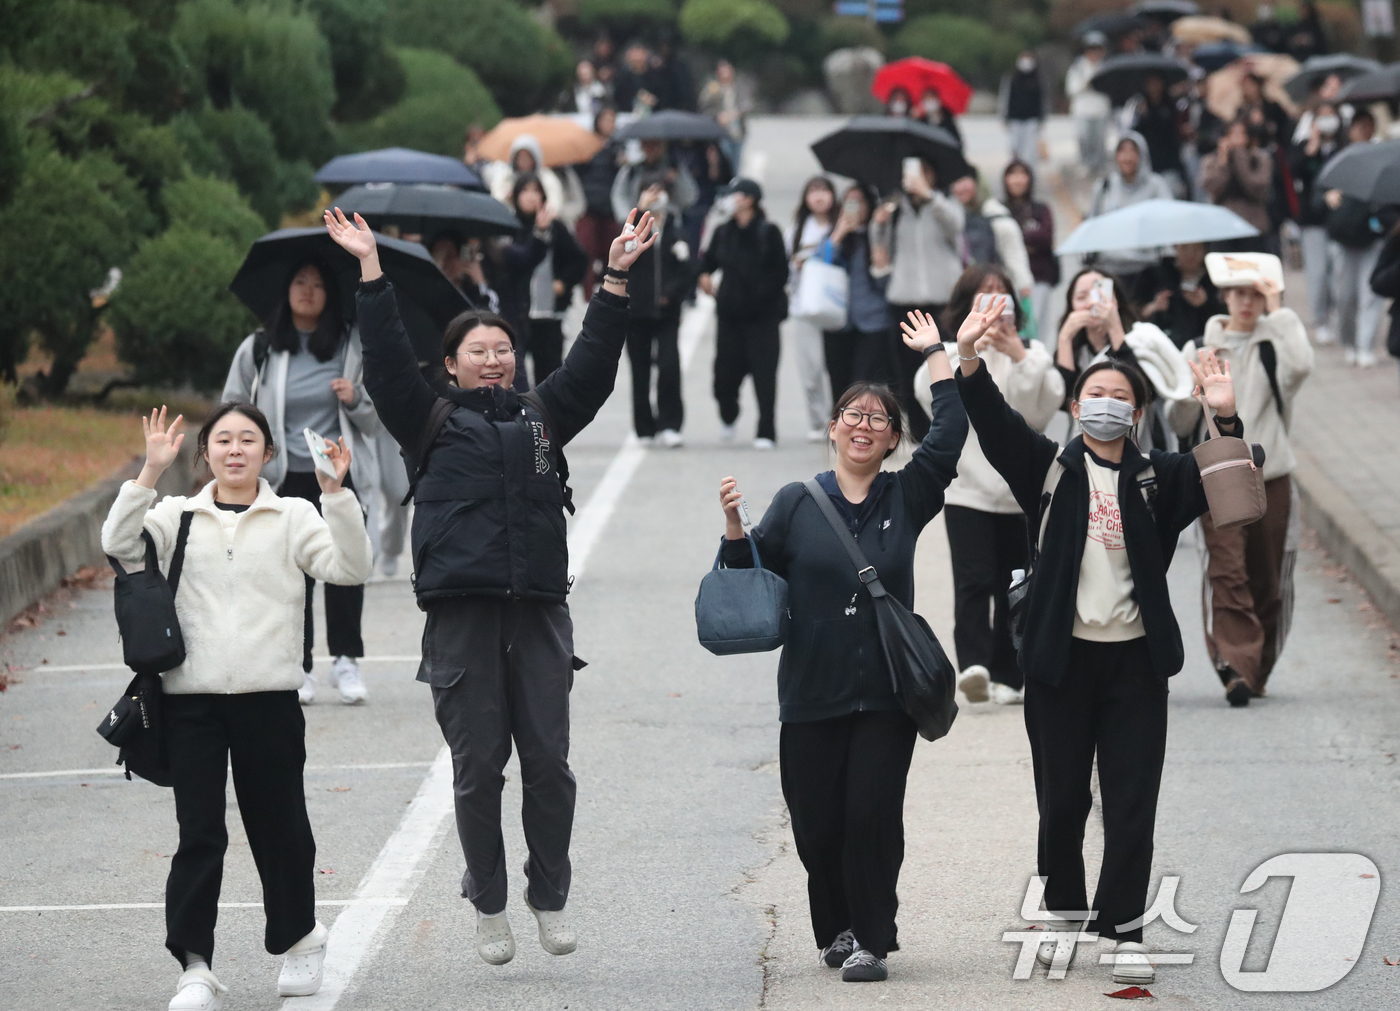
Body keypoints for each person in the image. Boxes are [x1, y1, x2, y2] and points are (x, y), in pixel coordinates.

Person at [323, 203, 658, 966]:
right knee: (479, 771)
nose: (495, 359)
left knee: (550, 768)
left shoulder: (543, 415)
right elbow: (383, 356)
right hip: (462, 619)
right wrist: (370, 269)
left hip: (538, 614)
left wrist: (614, 279)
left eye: (504, 348)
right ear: (451, 363)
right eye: (479, 350)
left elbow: (595, 368)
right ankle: (490, 902)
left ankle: (549, 897)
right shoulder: (427, 420)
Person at [954, 296, 1241, 985]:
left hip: (1137, 664)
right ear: (1076, 408)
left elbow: (1234, 486)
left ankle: (1124, 927)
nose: (1107, 403)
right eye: (1095, 394)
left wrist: (1222, 413)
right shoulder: (1049, 468)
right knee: (1061, 798)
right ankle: (1060, 912)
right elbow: (991, 423)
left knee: (1131, 796)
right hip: (1060, 661)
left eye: (1120, 396)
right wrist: (967, 355)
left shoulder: (1160, 478)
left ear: (1136, 414)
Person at [715, 311, 969, 984]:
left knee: (871, 816)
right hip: (810, 690)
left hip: (887, 692)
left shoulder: (906, 495)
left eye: (878, 419)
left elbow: (949, 436)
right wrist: (736, 531)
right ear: (832, 428)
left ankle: (872, 938)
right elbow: (755, 581)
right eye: (852, 415)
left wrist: (939, 357)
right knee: (817, 824)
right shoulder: (798, 501)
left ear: (891, 440)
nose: (863, 425)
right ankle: (836, 927)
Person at [102, 403, 371, 1010]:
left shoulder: (293, 514)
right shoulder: (177, 515)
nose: (235, 449)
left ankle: (301, 937)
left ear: (268, 454)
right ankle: (195, 966)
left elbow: (350, 568)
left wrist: (337, 492)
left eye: (248, 440)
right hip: (190, 703)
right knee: (199, 834)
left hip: (269, 700)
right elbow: (117, 544)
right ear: (205, 454)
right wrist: (148, 473)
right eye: (222, 440)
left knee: (280, 829)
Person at [222, 260, 377, 705]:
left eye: (318, 284)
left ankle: (346, 659)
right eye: (299, 282)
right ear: (285, 291)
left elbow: (374, 419)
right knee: (292, 576)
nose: (308, 291)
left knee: (347, 567)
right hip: (279, 478)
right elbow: (231, 410)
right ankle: (300, 665)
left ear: (331, 295)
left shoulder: (351, 344)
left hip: (337, 476)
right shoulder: (260, 348)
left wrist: (356, 398)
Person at [1173, 264, 1312, 705]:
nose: (1247, 303)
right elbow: (1177, 421)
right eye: (1238, 294)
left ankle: (1257, 664)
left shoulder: (1276, 342)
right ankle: (1236, 666)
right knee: (1227, 574)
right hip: (1216, 478)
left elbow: (1302, 368)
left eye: (1257, 294)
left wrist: (1281, 314)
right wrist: (1191, 393)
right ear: (1224, 297)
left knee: (1267, 578)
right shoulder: (1199, 348)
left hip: (1271, 475)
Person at [926, 266, 1063, 705]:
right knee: (972, 579)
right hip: (967, 489)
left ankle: (1010, 673)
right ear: (966, 303)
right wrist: (969, 351)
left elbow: (1036, 416)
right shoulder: (947, 353)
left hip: (1019, 493)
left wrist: (1019, 356)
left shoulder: (1034, 353)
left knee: (1014, 583)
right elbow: (933, 402)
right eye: (983, 294)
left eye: (1001, 294)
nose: (994, 302)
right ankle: (973, 665)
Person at [1054, 267, 1194, 451]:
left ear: (1116, 300)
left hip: (1143, 449)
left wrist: (1115, 329)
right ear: (1071, 306)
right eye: (1081, 298)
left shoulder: (1143, 338)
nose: (1091, 303)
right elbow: (1063, 401)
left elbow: (1144, 392)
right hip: (1086, 451)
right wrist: (1064, 339)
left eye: (1100, 294)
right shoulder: (1075, 351)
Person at [698, 178, 789, 448]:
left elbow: (780, 272)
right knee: (723, 377)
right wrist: (703, 275)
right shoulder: (723, 231)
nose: (731, 200)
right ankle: (729, 415)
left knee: (765, 377)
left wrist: (763, 295)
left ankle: (766, 430)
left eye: (736, 195)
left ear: (750, 199)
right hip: (729, 318)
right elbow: (707, 260)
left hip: (763, 319)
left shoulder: (769, 231)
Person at [883, 157, 966, 438]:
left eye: (923, 172)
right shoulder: (896, 209)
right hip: (903, 300)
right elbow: (881, 251)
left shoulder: (943, 204)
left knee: (944, 364)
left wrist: (929, 197)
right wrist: (879, 222)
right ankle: (918, 432)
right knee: (907, 371)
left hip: (941, 300)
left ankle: (946, 427)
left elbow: (956, 227)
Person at [627, 175, 694, 446]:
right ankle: (644, 428)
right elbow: (623, 253)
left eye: (659, 191)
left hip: (667, 312)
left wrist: (671, 294)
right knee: (639, 370)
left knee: (669, 366)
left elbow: (688, 268)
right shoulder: (632, 227)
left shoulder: (677, 228)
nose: (655, 196)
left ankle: (670, 424)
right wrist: (640, 213)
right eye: (649, 191)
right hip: (635, 311)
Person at [814, 184, 897, 397]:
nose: (854, 208)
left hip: (872, 322)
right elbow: (818, 269)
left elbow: (887, 286)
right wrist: (838, 235)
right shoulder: (833, 237)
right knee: (839, 388)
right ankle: (841, 429)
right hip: (837, 322)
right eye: (849, 202)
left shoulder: (879, 235)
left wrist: (881, 264)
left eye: (859, 202)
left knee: (864, 388)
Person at [1325, 111, 1393, 367]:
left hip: (1373, 239)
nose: (1363, 131)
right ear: (1351, 130)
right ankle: (1349, 342)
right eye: (1359, 126)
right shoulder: (1341, 159)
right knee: (1345, 296)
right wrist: (1329, 198)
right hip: (1344, 238)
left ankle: (1365, 345)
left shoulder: (1384, 158)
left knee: (1370, 295)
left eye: (1368, 126)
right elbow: (1317, 194)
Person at [512, 174, 587, 387]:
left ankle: (546, 420)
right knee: (517, 378)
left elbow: (578, 259)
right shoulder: (510, 227)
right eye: (525, 191)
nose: (530, 197)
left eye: (536, 191)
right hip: (519, 314)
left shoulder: (555, 228)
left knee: (549, 378)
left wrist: (563, 282)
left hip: (549, 313)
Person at [786, 176, 839, 442]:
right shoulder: (797, 230)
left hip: (836, 305)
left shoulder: (841, 226)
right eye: (813, 191)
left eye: (824, 191)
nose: (819, 197)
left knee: (836, 367)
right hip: (804, 308)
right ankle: (818, 421)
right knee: (811, 369)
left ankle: (840, 419)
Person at [1088, 133, 1174, 294]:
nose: (1127, 157)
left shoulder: (1156, 186)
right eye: (1122, 151)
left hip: (1145, 269)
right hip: (1109, 268)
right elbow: (1093, 222)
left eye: (1132, 151)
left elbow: (1168, 222)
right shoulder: (1104, 186)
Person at [1288, 100, 1344, 343]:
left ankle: (1336, 315)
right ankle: (1320, 319)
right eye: (1321, 117)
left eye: (1330, 116)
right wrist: (1311, 147)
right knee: (1318, 272)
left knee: (1337, 273)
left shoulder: (1343, 147)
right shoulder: (1303, 147)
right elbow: (1292, 175)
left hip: (1339, 220)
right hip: (1312, 221)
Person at [950, 171, 1034, 306]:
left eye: (965, 182)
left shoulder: (997, 216)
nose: (960, 188)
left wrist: (1023, 286)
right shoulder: (948, 216)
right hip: (960, 295)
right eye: (956, 183)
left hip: (994, 293)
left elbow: (1014, 254)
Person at [1002, 160, 1059, 340]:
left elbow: (1045, 238)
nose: (1018, 180)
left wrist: (1015, 241)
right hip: (1008, 280)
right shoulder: (999, 210)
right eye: (1013, 174)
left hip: (1038, 278)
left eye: (1022, 174)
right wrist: (1026, 241)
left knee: (1037, 329)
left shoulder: (1041, 209)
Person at [1199, 118, 1275, 252]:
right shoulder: (1211, 161)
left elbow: (1256, 187)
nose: (1238, 139)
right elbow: (1212, 188)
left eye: (1242, 134)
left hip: (1253, 225)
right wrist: (1223, 162)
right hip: (1223, 227)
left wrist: (1240, 158)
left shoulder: (1259, 158)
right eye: (1233, 134)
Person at [574, 106, 625, 298]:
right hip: (588, 207)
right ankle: (586, 295)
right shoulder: (587, 146)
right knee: (586, 251)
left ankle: (610, 294)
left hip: (609, 208)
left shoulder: (618, 148)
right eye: (605, 120)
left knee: (611, 254)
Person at [1137, 242, 1226, 350]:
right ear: (1176, 248)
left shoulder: (1214, 280)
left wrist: (1205, 305)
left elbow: (1223, 318)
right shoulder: (1157, 276)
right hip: (1164, 344)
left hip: (1202, 346)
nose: (1190, 254)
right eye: (1184, 247)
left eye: (1197, 248)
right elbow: (1135, 312)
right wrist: (1154, 307)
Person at [486, 135, 585, 226]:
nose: (524, 161)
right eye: (524, 190)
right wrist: (507, 199)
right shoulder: (506, 177)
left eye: (528, 157)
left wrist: (545, 215)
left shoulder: (546, 177)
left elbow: (555, 202)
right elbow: (497, 199)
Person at [611, 138, 699, 225]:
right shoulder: (631, 170)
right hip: (639, 223)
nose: (651, 148)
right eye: (647, 144)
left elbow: (690, 198)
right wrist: (629, 220)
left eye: (655, 144)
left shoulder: (674, 167)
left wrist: (678, 179)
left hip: (669, 225)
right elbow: (619, 197)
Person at [1126, 73, 1186, 196]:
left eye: (1157, 83)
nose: (1154, 87)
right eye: (1150, 84)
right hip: (1148, 163)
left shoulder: (1171, 105)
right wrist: (1142, 116)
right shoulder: (1139, 106)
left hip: (1169, 163)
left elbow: (1174, 132)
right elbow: (1134, 134)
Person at [1066, 32, 1113, 176]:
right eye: (1092, 49)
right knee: (1083, 138)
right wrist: (1086, 83)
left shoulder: (1106, 67)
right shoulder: (1078, 67)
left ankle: (1099, 166)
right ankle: (1085, 163)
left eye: (1098, 49)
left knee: (1099, 141)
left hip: (1101, 110)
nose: (1095, 53)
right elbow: (1071, 89)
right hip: (1083, 110)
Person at [698, 58, 750, 171]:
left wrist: (735, 113)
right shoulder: (714, 88)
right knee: (725, 159)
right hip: (721, 132)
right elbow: (704, 106)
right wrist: (718, 115)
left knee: (736, 163)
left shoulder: (738, 87)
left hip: (737, 131)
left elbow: (746, 104)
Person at [1000, 50, 1046, 168]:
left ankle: (1029, 172)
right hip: (1015, 118)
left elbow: (1042, 100)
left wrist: (1042, 119)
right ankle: (1016, 169)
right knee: (1014, 147)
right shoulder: (1011, 78)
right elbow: (1005, 98)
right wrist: (1004, 117)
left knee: (1030, 150)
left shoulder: (1038, 79)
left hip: (1032, 118)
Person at [613, 41, 661, 114]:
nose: (638, 59)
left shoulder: (655, 76)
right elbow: (619, 99)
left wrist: (652, 100)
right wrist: (637, 97)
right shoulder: (622, 77)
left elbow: (662, 96)